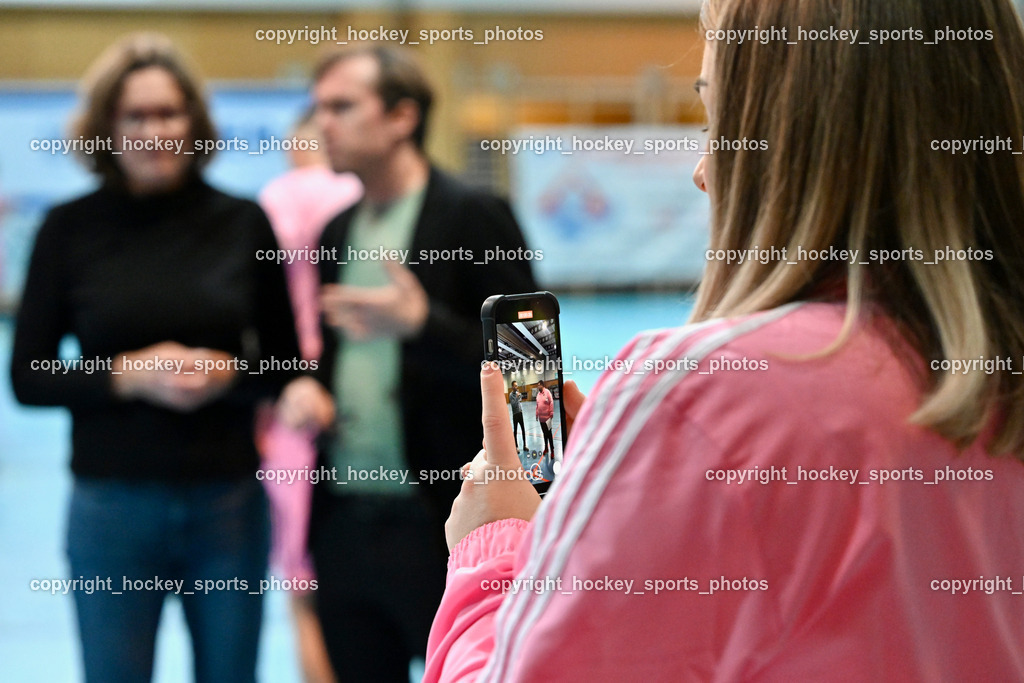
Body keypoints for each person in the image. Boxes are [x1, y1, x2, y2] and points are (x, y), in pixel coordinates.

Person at [425, 0, 1024, 679]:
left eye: (716, 121)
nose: (702, 170)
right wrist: (643, 484)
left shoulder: (707, 394)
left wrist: (495, 550)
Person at [9, 33, 301, 683]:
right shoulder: (68, 229)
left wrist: (227, 374)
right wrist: (123, 374)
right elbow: (28, 375)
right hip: (113, 505)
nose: (153, 130)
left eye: (168, 113)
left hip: (226, 505)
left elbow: (284, 366)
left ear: (193, 123)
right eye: (135, 115)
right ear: (106, 127)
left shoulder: (243, 223)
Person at [276, 45, 537, 681]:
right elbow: (335, 358)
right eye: (317, 109)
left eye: (341, 106)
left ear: (401, 116)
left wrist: (424, 326)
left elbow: (533, 373)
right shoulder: (337, 229)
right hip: (345, 519)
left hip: (444, 521)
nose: (322, 126)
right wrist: (305, 389)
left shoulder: (473, 215)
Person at [256, 107, 361, 683]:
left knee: (303, 587)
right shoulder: (360, 202)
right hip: (354, 394)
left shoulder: (273, 200)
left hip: (289, 405)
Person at [533, 382, 554, 459]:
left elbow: (551, 402)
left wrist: (551, 412)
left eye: (539, 385)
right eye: (537, 385)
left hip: (548, 418)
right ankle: (546, 448)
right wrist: (536, 414)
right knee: (545, 434)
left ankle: (552, 451)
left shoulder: (547, 392)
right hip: (541, 419)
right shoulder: (538, 395)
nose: (538, 386)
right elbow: (537, 405)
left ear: (542, 385)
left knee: (549, 434)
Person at [509, 380, 526, 452]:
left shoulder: (517, 393)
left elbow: (520, 400)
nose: (517, 387)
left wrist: (520, 396)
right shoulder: (510, 395)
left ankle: (525, 445)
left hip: (520, 413)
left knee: (523, 429)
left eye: (517, 385)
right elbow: (513, 404)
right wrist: (516, 397)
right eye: (515, 386)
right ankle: (516, 447)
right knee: (515, 431)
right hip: (515, 415)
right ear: (512, 387)